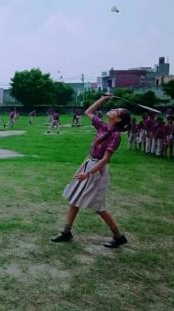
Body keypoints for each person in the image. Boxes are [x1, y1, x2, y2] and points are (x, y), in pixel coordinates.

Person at [51, 95, 131, 248]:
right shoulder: (103, 127)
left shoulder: (115, 135)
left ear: (118, 119)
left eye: (116, 110)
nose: (112, 109)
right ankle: (66, 232)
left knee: (98, 206)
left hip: (97, 170)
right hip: (89, 164)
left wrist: (88, 173)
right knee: (75, 198)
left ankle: (118, 236)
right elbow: (89, 111)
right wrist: (103, 99)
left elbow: (106, 159)